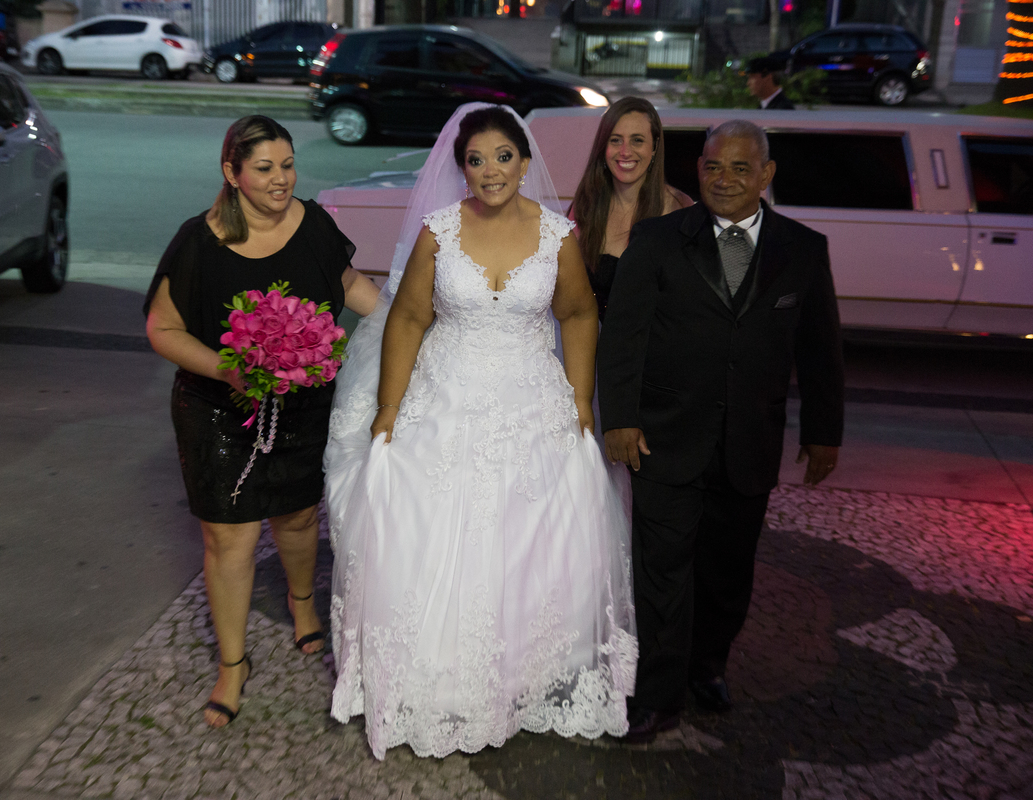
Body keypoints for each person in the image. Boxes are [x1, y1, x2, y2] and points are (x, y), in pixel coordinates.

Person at [324, 103, 638, 760]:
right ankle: (435, 677)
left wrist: (581, 402)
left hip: (532, 401)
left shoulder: (558, 236)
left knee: (526, 536)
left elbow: (579, 314)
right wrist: (388, 408)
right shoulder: (440, 233)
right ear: (461, 167)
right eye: (476, 159)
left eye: (502, 157)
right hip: (446, 396)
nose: (489, 171)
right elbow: (408, 320)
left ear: (525, 162)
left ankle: (522, 674)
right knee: (434, 531)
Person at [597, 119, 843, 743]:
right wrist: (620, 419)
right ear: (697, 168)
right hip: (664, 437)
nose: (725, 179)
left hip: (750, 442)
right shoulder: (655, 240)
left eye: (740, 168)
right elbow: (623, 337)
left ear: (766, 174)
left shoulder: (803, 248)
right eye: (713, 166)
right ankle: (657, 695)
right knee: (662, 572)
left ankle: (709, 666)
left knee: (729, 571)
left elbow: (820, 349)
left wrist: (824, 431)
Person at [144, 115, 379, 729]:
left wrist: (418, 321)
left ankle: (303, 606)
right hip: (218, 409)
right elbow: (162, 330)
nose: (282, 180)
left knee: (299, 515)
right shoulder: (199, 242)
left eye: (289, 165)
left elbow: (352, 285)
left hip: (301, 405)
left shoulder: (315, 224)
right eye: (266, 168)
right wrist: (227, 370)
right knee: (230, 536)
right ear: (232, 172)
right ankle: (232, 663)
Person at [569, 96, 693, 321]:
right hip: (592, 348)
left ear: (654, 147)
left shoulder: (679, 209)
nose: (625, 151)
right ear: (603, 147)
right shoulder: (584, 205)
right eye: (616, 140)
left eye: (637, 140)